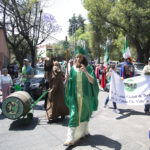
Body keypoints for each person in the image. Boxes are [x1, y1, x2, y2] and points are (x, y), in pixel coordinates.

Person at [64, 46, 99, 146]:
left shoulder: (88, 68)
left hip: (86, 97)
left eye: (80, 57)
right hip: (75, 97)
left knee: (85, 114)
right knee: (74, 115)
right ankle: (70, 138)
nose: (78, 59)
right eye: (77, 57)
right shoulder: (72, 69)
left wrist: (86, 72)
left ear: (83, 58)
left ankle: (84, 132)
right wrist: (67, 79)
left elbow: (93, 81)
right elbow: (70, 82)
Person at [44, 57, 69, 123]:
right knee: (55, 102)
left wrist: (53, 89)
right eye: (46, 62)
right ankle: (56, 115)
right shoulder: (48, 69)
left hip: (58, 88)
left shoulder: (55, 68)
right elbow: (48, 79)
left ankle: (53, 117)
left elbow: (56, 78)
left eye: (48, 62)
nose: (46, 63)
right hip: (53, 88)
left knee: (56, 102)